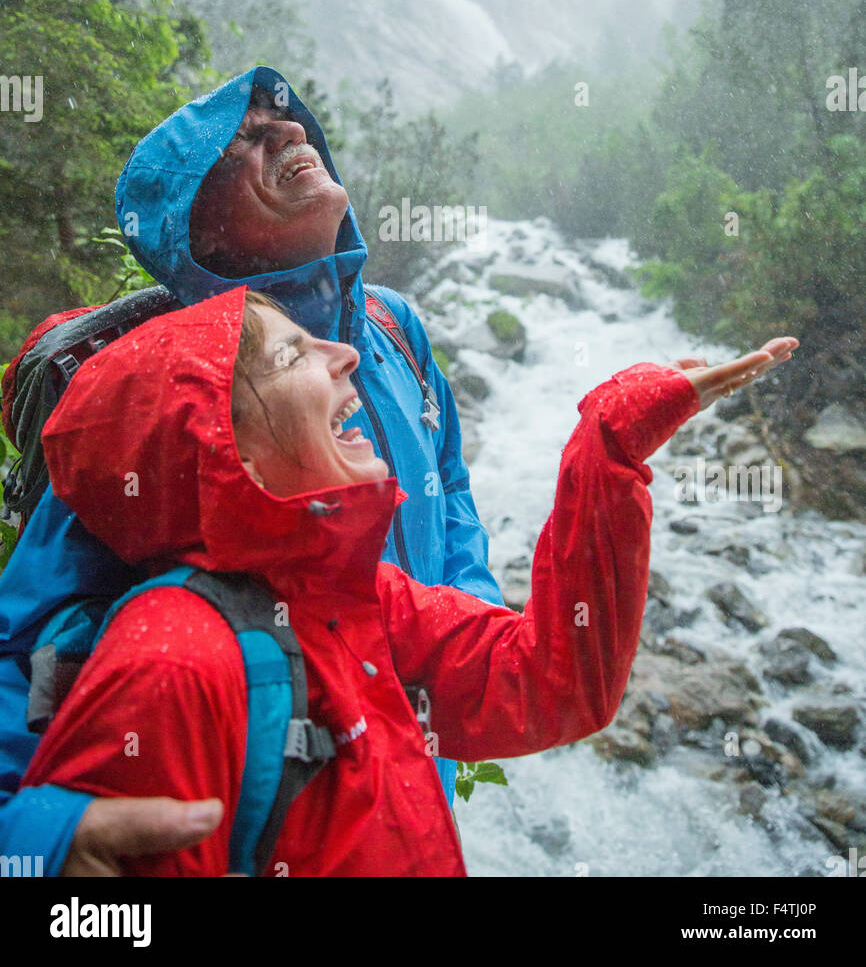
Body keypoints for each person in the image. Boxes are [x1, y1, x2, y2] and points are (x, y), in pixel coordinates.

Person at [20, 287, 797, 875]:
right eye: (294, 356)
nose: (346, 353)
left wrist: (611, 443)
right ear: (229, 456)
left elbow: (555, 683)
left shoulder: (360, 600)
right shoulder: (175, 660)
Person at [0, 67, 501, 874]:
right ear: (204, 238)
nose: (291, 134)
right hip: (272, 817)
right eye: (251, 142)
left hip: (409, 782)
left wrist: (468, 640)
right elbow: (26, 650)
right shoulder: (164, 403)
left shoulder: (394, 327)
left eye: (289, 122)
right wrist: (38, 840)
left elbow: (450, 497)